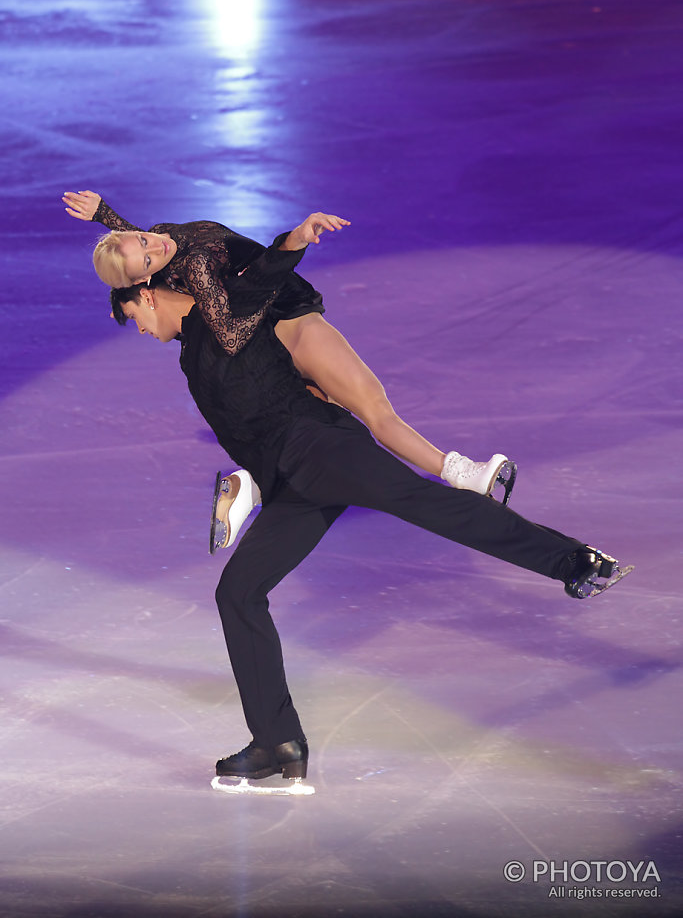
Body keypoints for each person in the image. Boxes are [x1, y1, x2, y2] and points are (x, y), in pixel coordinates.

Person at [108, 215, 632, 785]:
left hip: (322, 447)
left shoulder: (229, 309)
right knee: (237, 594)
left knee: (430, 505)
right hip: (291, 482)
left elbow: (254, 271)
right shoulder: (190, 358)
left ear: (149, 295)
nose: (138, 332)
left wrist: (295, 240)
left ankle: (573, 560)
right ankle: (276, 741)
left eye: (132, 317)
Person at [64, 189, 517, 508]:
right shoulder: (196, 267)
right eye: (146, 256)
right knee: (374, 410)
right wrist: (293, 243)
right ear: (146, 279)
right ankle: (463, 475)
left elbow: (136, 249)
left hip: (265, 338)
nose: (153, 244)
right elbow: (230, 329)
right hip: (287, 322)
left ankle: (251, 486)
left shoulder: (158, 243)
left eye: (143, 239)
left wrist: (106, 215)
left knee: (313, 420)